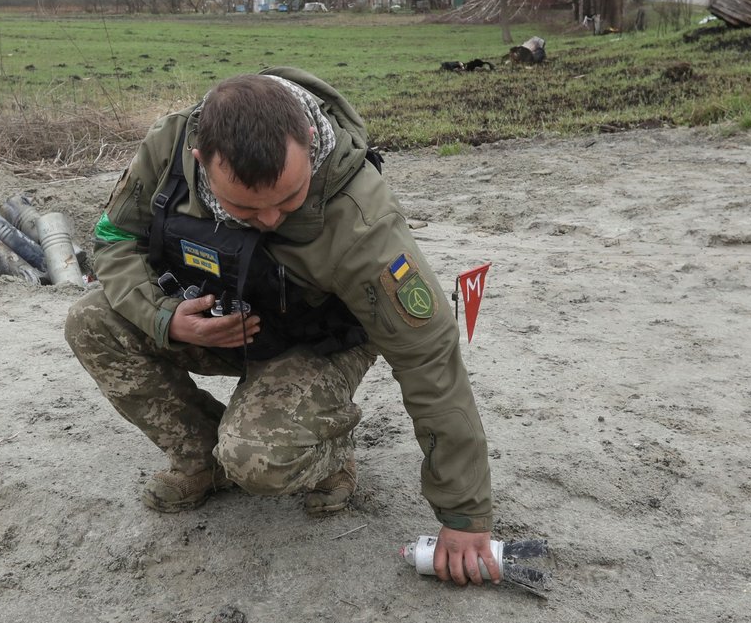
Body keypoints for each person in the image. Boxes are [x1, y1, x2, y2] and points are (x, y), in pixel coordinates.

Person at [65, 67, 499, 586]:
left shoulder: (361, 218)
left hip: (319, 341)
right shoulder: (170, 147)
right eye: (245, 207)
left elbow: (428, 354)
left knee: (257, 458)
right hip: (223, 322)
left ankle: (330, 451)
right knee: (91, 320)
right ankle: (201, 457)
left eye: (288, 200)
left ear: (311, 141)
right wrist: (164, 319)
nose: (270, 218)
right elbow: (114, 236)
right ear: (202, 160)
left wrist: (465, 516)